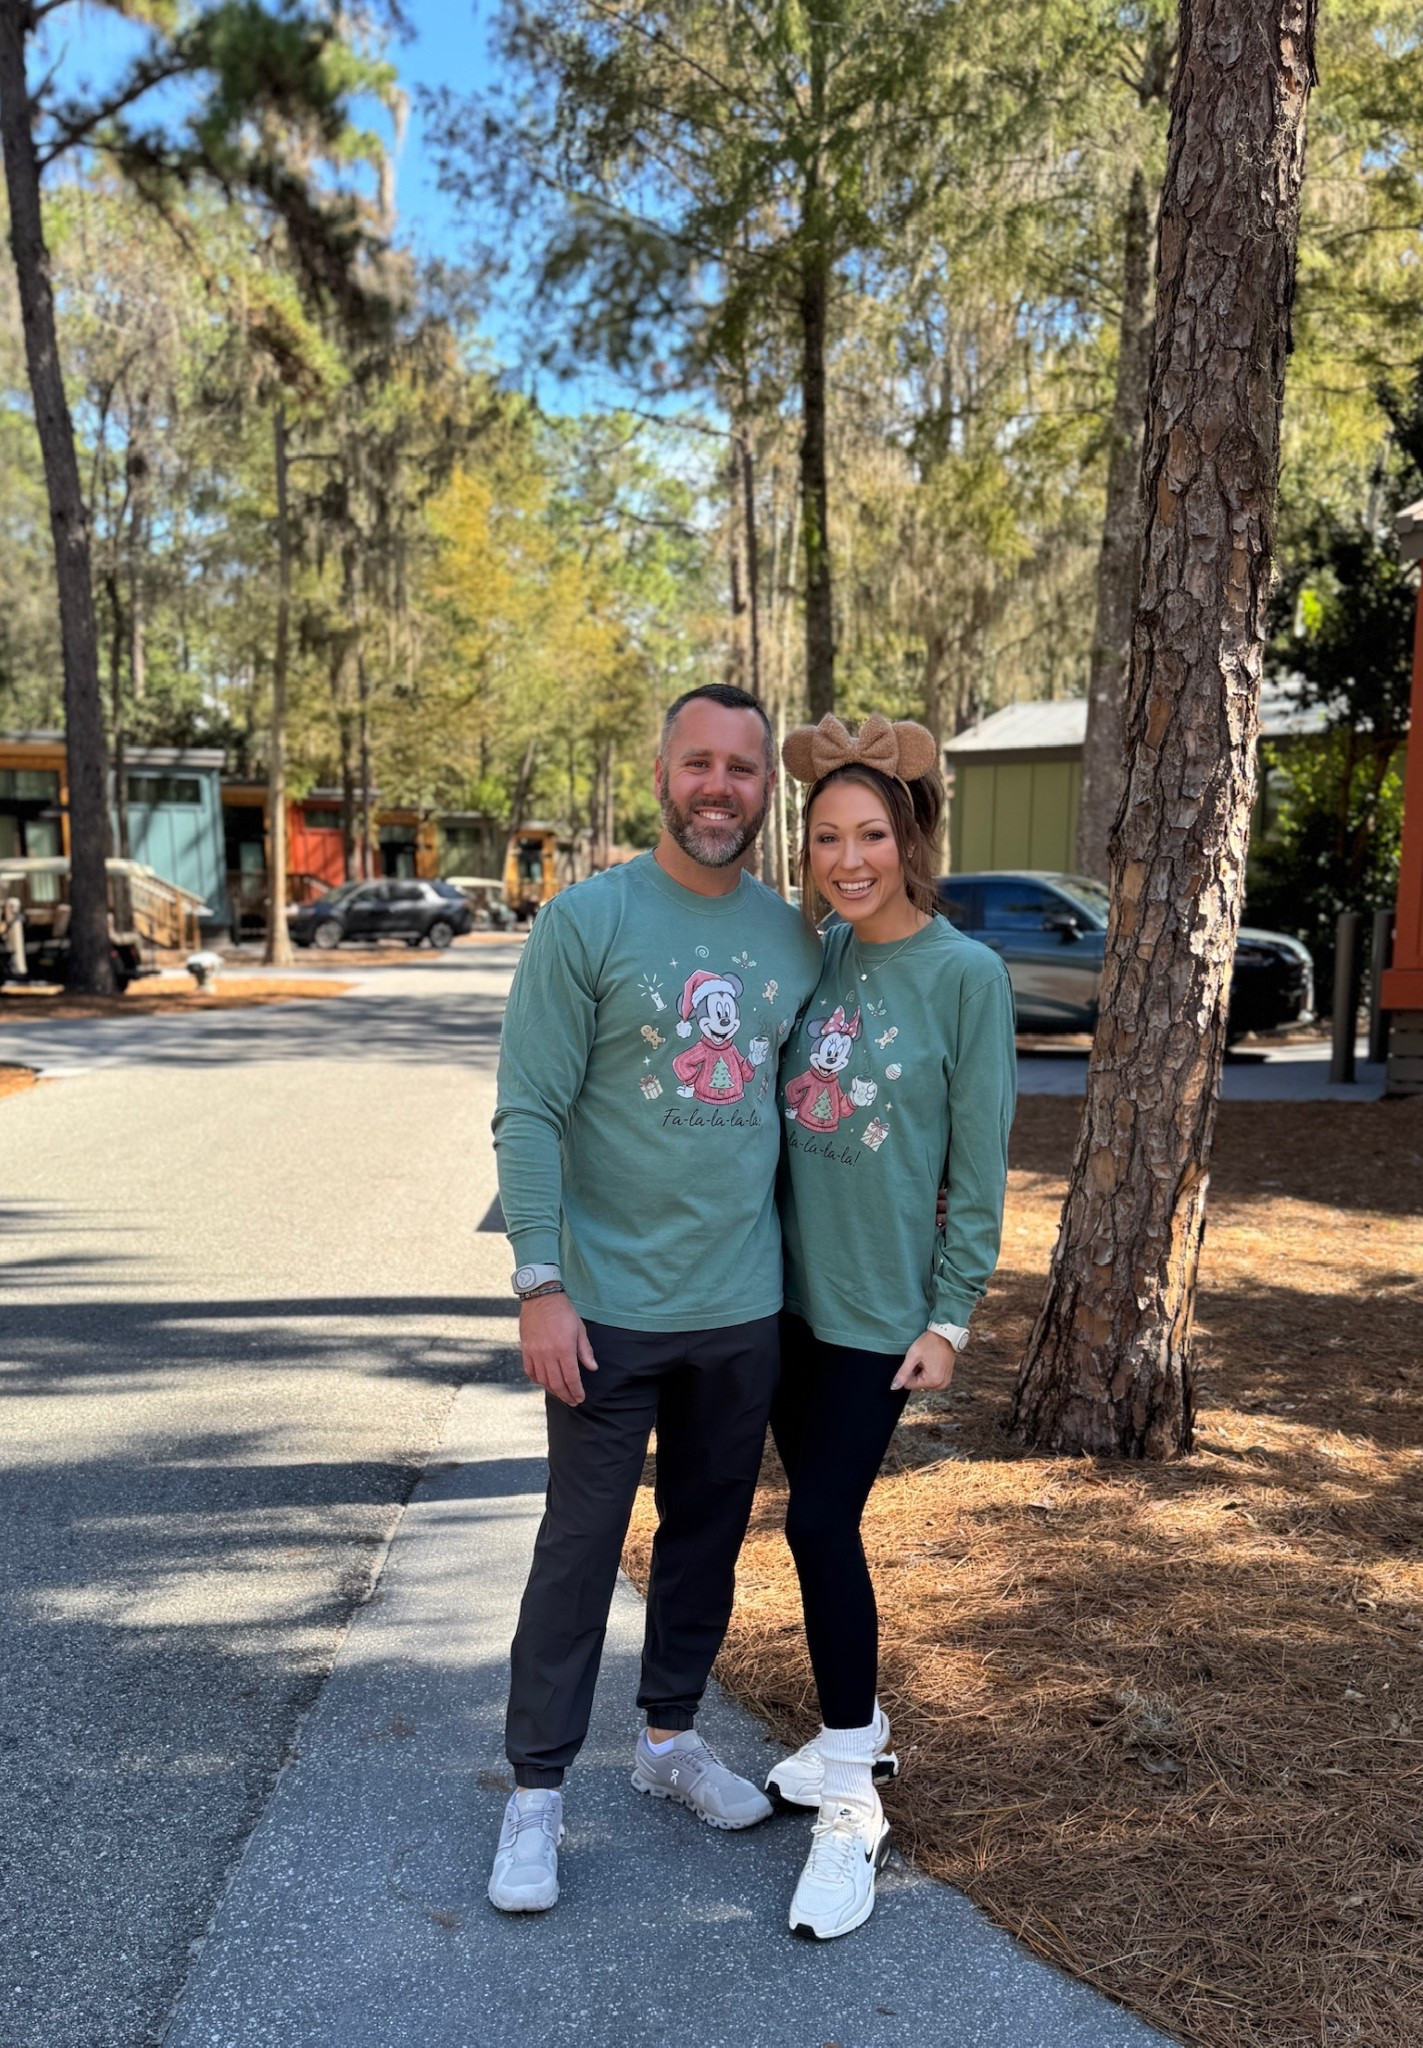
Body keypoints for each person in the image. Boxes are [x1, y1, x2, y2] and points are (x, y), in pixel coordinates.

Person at [488, 683, 823, 1914]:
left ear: (765, 788)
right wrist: (539, 1281)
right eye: (699, 762)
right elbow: (527, 1109)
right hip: (605, 1307)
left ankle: (669, 1736)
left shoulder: (795, 938)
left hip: (740, 1306)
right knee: (580, 1546)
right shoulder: (587, 919)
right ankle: (535, 1790)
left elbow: (814, 1114)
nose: (718, 786)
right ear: (661, 774)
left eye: (742, 766)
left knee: (703, 1537)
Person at [763, 712, 1017, 1941]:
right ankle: (851, 1733)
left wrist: (951, 1315)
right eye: (826, 836)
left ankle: (851, 1799)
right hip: (779, 1302)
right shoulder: (812, 955)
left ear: (909, 839)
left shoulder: (966, 976)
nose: (847, 858)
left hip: (878, 1315)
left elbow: (981, 1166)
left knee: (820, 1523)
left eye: (869, 834)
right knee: (811, 1527)